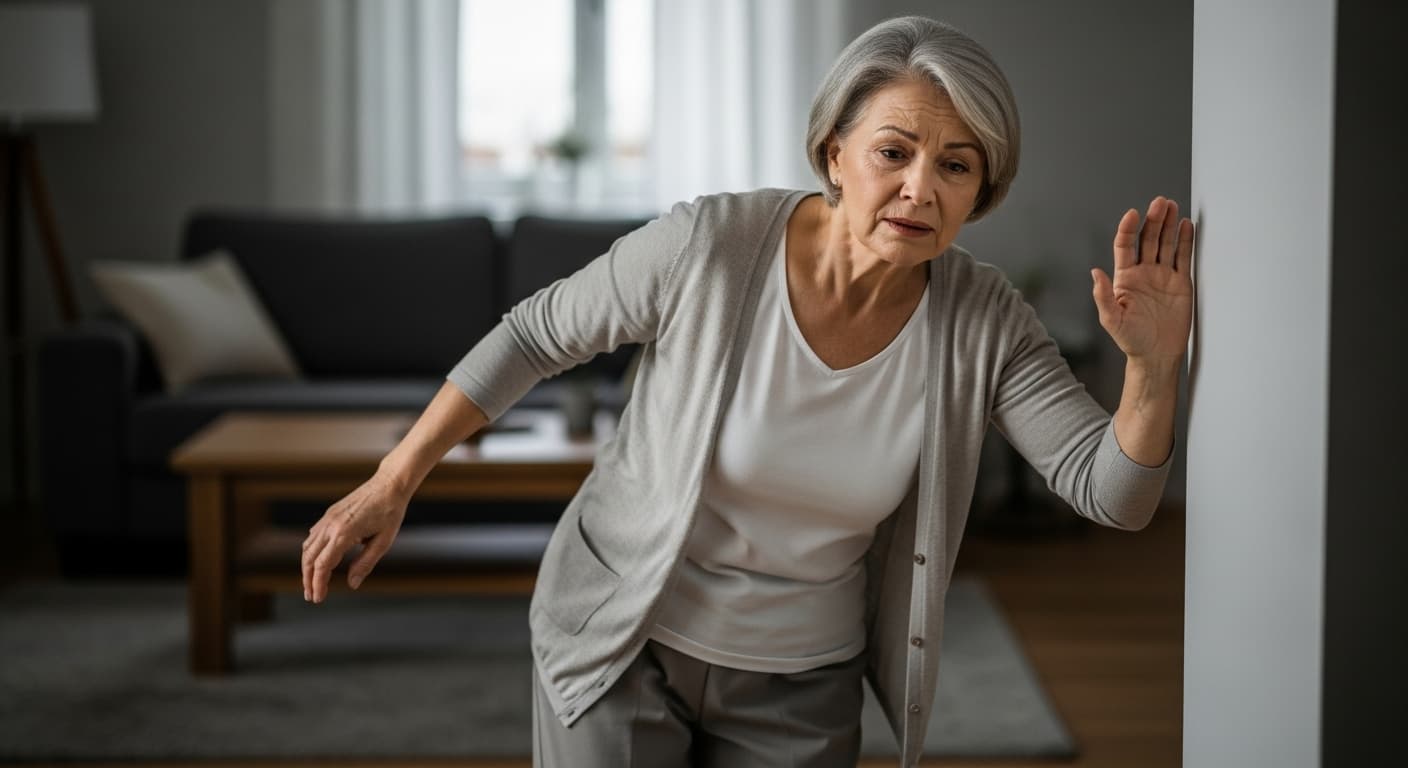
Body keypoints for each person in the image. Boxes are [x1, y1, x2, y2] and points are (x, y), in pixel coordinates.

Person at [300, 15, 1191, 768]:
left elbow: (1113, 497)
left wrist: (1150, 368)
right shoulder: (712, 245)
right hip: (622, 643)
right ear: (835, 152)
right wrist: (394, 480)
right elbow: (534, 335)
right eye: (895, 150)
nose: (920, 186)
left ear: (979, 193)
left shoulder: (983, 320)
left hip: (802, 685)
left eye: (957, 166)